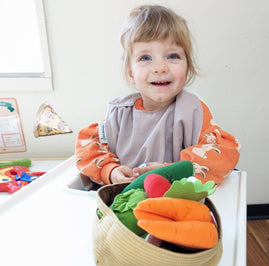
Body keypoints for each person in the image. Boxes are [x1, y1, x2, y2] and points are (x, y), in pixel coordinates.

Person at [75, 5, 240, 186]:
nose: (160, 68)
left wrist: (170, 170)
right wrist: (110, 170)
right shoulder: (119, 114)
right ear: (131, 73)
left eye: (172, 56)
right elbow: (87, 148)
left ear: (187, 66)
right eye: (145, 58)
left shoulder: (191, 110)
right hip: (124, 203)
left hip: (175, 204)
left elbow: (222, 153)